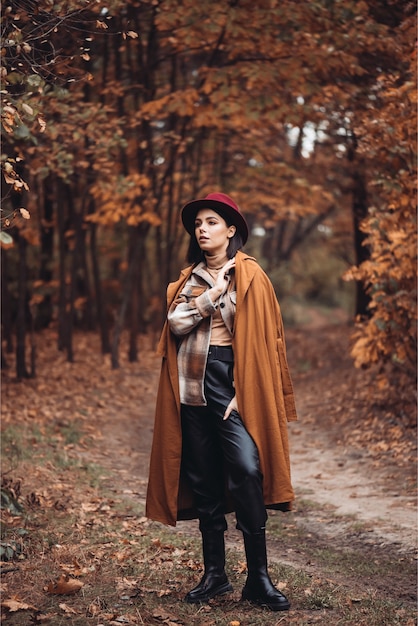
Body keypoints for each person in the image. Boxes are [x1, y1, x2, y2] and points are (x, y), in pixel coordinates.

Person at [146, 192, 298, 612]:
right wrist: (211, 294)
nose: (202, 228)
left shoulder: (251, 277)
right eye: (198, 223)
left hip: (231, 386)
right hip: (191, 388)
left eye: (211, 221)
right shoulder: (189, 278)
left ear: (231, 230)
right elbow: (174, 324)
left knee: (247, 469)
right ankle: (215, 577)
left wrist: (242, 393)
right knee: (204, 481)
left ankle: (259, 579)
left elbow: (265, 345)